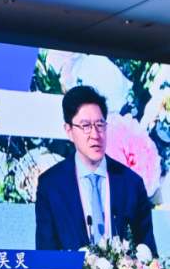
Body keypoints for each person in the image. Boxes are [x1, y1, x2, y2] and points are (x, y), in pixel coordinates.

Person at [35, 85, 156, 254]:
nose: (95, 134)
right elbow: (46, 257)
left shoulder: (132, 184)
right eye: (85, 126)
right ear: (69, 131)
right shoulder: (50, 186)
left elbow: (149, 256)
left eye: (100, 125)